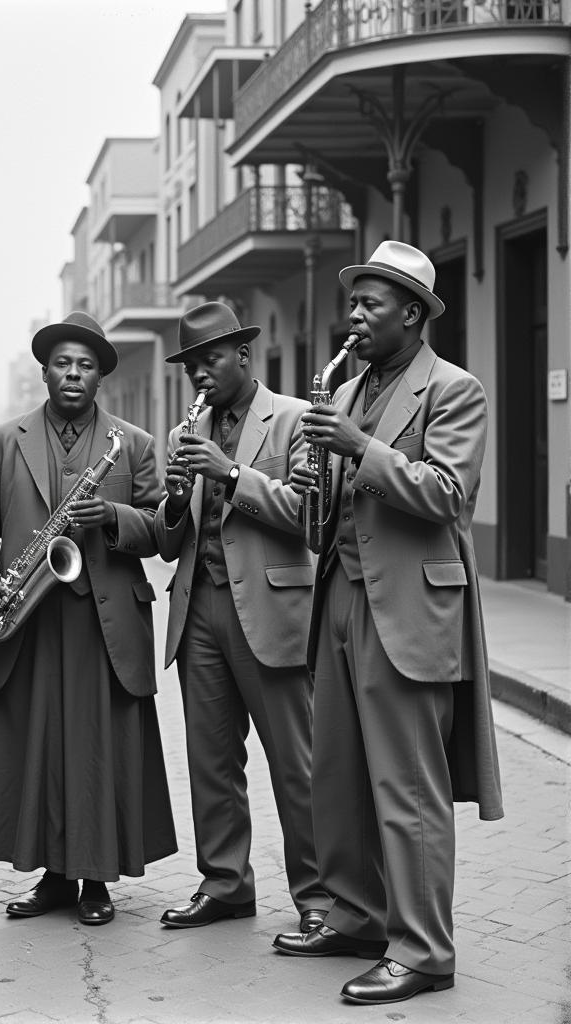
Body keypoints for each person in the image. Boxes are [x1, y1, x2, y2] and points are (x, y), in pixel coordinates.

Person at [272, 241, 504, 1005]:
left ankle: (424, 950)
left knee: (407, 789)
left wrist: (360, 448)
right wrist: (312, 483)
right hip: (340, 597)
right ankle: (359, 915)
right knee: (334, 776)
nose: (355, 318)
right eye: (354, 303)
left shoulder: (455, 389)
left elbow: (446, 495)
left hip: (408, 607)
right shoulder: (342, 393)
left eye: (371, 305)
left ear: (412, 312)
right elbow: (323, 521)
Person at [0, 311, 177, 926]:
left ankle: (96, 879)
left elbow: (163, 531)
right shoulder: (3, 440)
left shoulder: (132, 444)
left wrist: (111, 516)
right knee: (43, 747)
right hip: (30, 619)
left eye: (84, 365)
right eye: (62, 363)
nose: (72, 374)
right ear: (45, 371)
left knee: (98, 751)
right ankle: (53, 878)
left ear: (101, 376)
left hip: (104, 626)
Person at [155, 301, 330, 935]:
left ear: (243, 356)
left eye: (211, 359)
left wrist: (229, 473)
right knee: (211, 760)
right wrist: (175, 501)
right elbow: (169, 539)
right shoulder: (183, 435)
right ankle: (225, 883)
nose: (200, 374)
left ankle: (321, 897)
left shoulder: (295, 419)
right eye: (191, 365)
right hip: (198, 607)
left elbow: (306, 516)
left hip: (272, 608)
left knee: (297, 763)